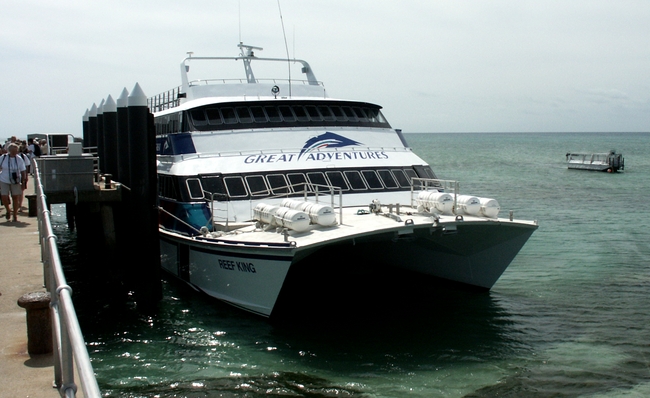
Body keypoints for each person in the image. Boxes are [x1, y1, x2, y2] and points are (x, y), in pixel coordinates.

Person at [0, 143, 27, 222]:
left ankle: (15, 214)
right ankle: (8, 210)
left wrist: (23, 181)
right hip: (3, 179)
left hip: (15, 180)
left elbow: (23, 170)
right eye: (14, 151)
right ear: (9, 151)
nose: (15, 152)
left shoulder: (19, 159)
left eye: (16, 151)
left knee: (15, 197)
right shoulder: (3, 158)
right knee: (4, 196)